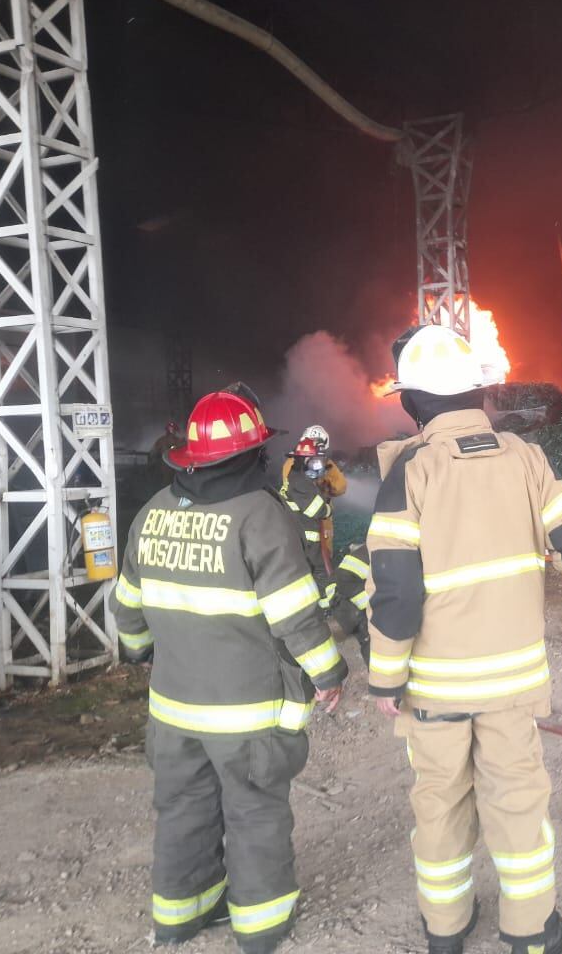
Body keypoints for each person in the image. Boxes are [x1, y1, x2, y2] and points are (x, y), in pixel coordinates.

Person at [365, 325, 562, 954]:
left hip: (434, 690)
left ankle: (445, 932)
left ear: (410, 403)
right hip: (510, 686)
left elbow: (394, 591)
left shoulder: (409, 471)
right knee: (517, 803)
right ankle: (531, 934)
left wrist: (386, 679)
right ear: (481, 390)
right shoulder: (526, 458)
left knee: (440, 808)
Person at [109, 387, 348, 954]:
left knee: (183, 809)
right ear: (250, 455)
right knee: (254, 811)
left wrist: (142, 649)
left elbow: (128, 615)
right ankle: (261, 926)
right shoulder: (260, 516)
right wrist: (329, 673)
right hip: (245, 714)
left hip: (171, 711)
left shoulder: (153, 512)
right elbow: (294, 613)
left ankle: (180, 916)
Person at [279, 425, 345, 575]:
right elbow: (320, 505)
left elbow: (341, 487)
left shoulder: (302, 469)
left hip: (311, 533)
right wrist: (327, 507)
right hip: (308, 535)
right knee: (319, 569)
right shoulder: (297, 474)